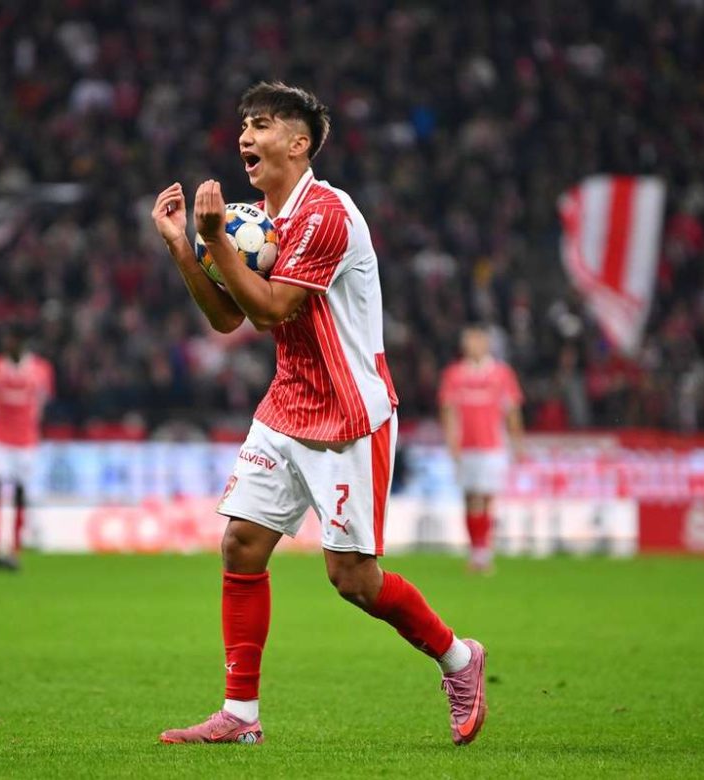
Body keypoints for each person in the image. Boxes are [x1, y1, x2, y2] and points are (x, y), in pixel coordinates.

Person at [150, 82, 487, 746]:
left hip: (347, 413)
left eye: (263, 124)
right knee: (241, 544)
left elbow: (273, 308)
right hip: (287, 403)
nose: (246, 136)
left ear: (298, 143)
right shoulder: (253, 222)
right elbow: (227, 318)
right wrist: (184, 250)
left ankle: (458, 658)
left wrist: (214, 240)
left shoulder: (328, 214)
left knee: (352, 579)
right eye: (244, 125)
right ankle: (241, 715)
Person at [439, 324, 524, 573]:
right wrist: (451, 441)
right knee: (470, 498)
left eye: (477, 340)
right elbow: (447, 410)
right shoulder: (454, 374)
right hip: (466, 446)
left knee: (486, 498)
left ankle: (482, 552)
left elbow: (512, 410)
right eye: (469, 341)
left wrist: (517, 442)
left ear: (487, 344)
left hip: (493, 446)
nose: (473, 345)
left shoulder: (502, 374)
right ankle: (476, 551)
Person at [0, 326, 54, 570]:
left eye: (12, 340)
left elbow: (43, 402)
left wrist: (36, 429)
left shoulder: (41, 369)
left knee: (20, 491)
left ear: (22, 343)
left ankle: (15, 549)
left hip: (26, 439)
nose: (7, 344)